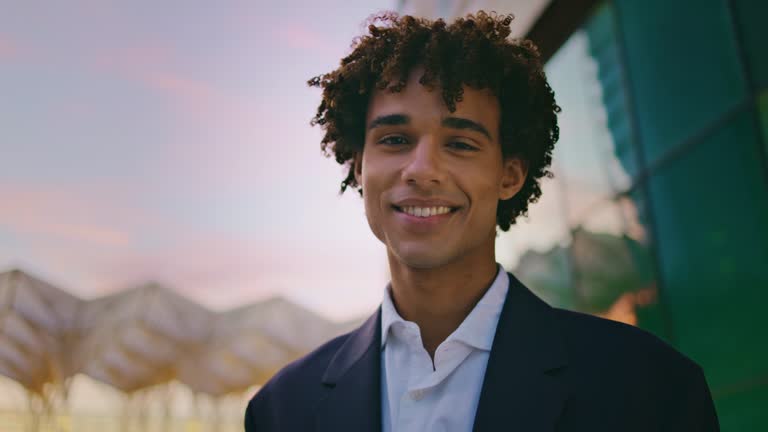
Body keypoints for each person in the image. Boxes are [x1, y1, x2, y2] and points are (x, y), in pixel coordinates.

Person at [244, 11, 719, 431]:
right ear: (358, 167)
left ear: (510, 174)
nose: (422, 169)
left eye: (460, 143)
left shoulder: (648, 387)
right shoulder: (282, 410)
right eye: (394, 139)